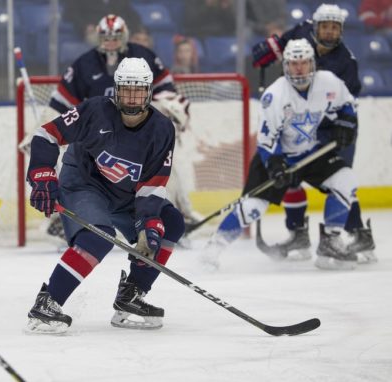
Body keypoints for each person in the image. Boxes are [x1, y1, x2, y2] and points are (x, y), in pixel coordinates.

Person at [25, 57, 185, 334]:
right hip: (84, 184)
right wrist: (42, 173)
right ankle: (48, 302)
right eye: (126, 89)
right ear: (116, 89)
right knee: (97, 236)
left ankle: (131, 296)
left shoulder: (162, 128)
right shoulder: (95, 110)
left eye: (138, 89)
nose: (132, 97)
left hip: (127, 195)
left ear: (148, 92)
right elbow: (46, 135)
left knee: (170, 224)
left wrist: (148, 224)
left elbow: (153, 183)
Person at [35, 14, 200, 248]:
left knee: (165, 171)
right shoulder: (84, 64)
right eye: (106, 37)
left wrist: (170, 109)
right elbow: (60, 104)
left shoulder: (144, 57)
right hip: (96, 138)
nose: (110, 42)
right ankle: (64, 220)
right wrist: (44, 125)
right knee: (71, 169)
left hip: (139, 133)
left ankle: (177, 215)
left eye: (115, 37)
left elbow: (167, 91)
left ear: (125, 36)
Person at [202, 39, 363, 272]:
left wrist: (347, 123)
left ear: (312, 64)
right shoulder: (275, 95)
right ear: (285, 65)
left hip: (312, 152)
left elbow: (349, 103)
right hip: (279, 156)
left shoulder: (329, 82)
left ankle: (331, 241)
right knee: (253, 207)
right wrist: (276, 164)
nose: (299, 68)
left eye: (304, 63)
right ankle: (213, 249)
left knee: (345, 180)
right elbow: (267, 141)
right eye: (293, 63)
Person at [251, 3, 375, 263]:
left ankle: (359, 235)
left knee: (339, 181)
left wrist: (345, 126)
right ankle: (298, 234)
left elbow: (348, 103)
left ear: (340, 30)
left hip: (333, 129)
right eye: (325, 26)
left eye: (334, 27)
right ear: (314, 26)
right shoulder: (301, 33)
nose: (329, 32)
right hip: (303, 124)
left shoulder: (346, 61)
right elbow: (280, 45)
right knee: (291, 173)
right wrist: (270, 48)